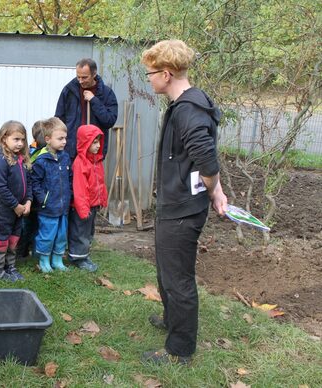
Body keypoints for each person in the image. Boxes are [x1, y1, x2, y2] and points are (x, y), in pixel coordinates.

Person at [139, 39, 228, 365]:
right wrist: (215, 192)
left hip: (182, 209)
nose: (148, 78)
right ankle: (171, 319)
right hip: (175, 203)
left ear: (166, 73)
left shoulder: (189, 109)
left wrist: (213, 188)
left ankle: (180, 350)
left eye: (150, 73)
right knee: (166, 271)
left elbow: (206, 156)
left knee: (178, 278)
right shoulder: (189, 102)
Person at [0, 120, 32, 281]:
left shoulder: (21, 159)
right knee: (1, 239)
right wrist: (15, 205)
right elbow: (0, 187)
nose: (20, 144)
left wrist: (28, 201)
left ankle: (10, 266)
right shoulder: (0, 160)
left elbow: (29, 183)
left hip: (19, 211)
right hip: (2, 210)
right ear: (4, 138)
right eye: (16, 139)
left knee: (14, 239)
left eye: (22, 140)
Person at [30, 117, 72, 272]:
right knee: (47, 235)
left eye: (65, 138)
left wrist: (69, 195)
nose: (64, 142)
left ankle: (57, 259)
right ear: (47, 139)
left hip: (63, 206)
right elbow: (35, 183)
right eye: (60, 138)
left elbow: (69, 178)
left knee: (61, 235)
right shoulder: (41, 160)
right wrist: (43, 199)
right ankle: (44, 260)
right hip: (48, 207)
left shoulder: (65, 157)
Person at [55, 58, 118, 160]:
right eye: (78, 77)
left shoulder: (107, 93)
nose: (80, 81)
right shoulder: (69, 90)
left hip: (93, 151)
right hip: (70, 152)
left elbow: (109, 121)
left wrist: (94, 100)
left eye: (84, 77)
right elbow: (58, 120)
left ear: (94, 74)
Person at [68, 124, 108, 272]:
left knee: (89, 232)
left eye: (99, 142)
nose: (98, 146)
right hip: (82, 207)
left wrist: (102, 198)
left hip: (92, 205)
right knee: (80, 232)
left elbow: (101, 182)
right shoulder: (80, 163)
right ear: (85, 143)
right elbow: (80, 189)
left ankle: (84, 255)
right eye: (94, 142)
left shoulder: (97, 161)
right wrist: (83, 210)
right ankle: (78, 258)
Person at [16, 119, 47, 260]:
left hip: (31, 197)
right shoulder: (38, 153)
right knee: (30, 227)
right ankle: (23, 252)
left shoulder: (30, 149)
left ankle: (24, 251)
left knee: (28, 227)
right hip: (33, 198)